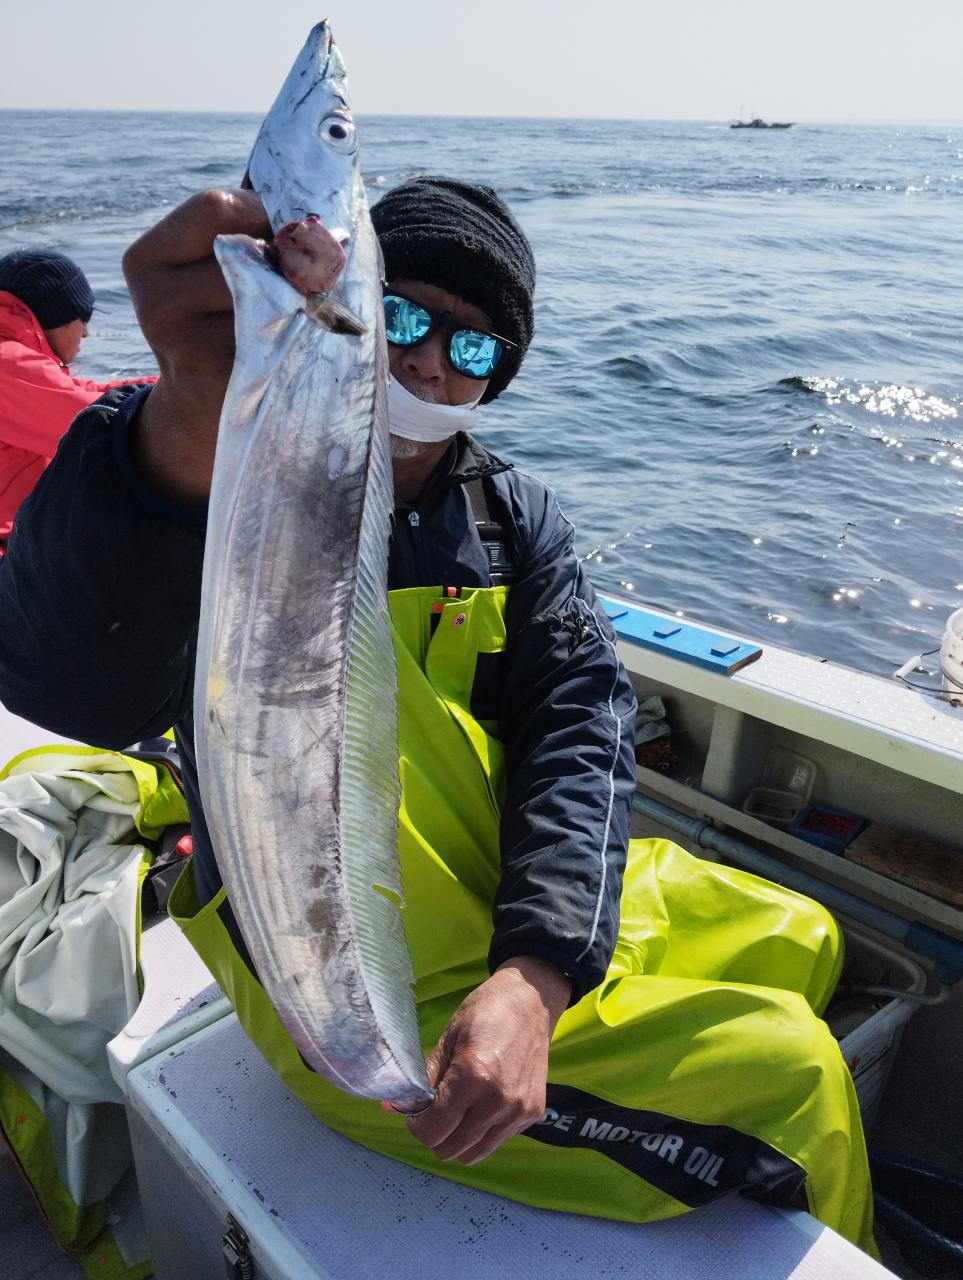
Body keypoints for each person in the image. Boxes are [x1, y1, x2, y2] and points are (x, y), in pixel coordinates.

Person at [0, 180, 876, 1253]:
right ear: (350, 308)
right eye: (404, 316)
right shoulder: (221, 477)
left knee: (806, 935)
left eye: (472, 346)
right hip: (350, 995)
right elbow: (77, 685)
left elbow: (577, 728)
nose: (428, 362)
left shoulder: (510, 515)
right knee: (797, 1077)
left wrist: (538, 969)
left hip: (494, 898)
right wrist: (183, 418)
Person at [0, 248, 157, 547]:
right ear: (56, 317)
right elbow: (95, 425)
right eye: (82, 317)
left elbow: (88, 393)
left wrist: (167, 382)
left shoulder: (15, 365)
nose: (85, 333)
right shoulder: (8, 365)